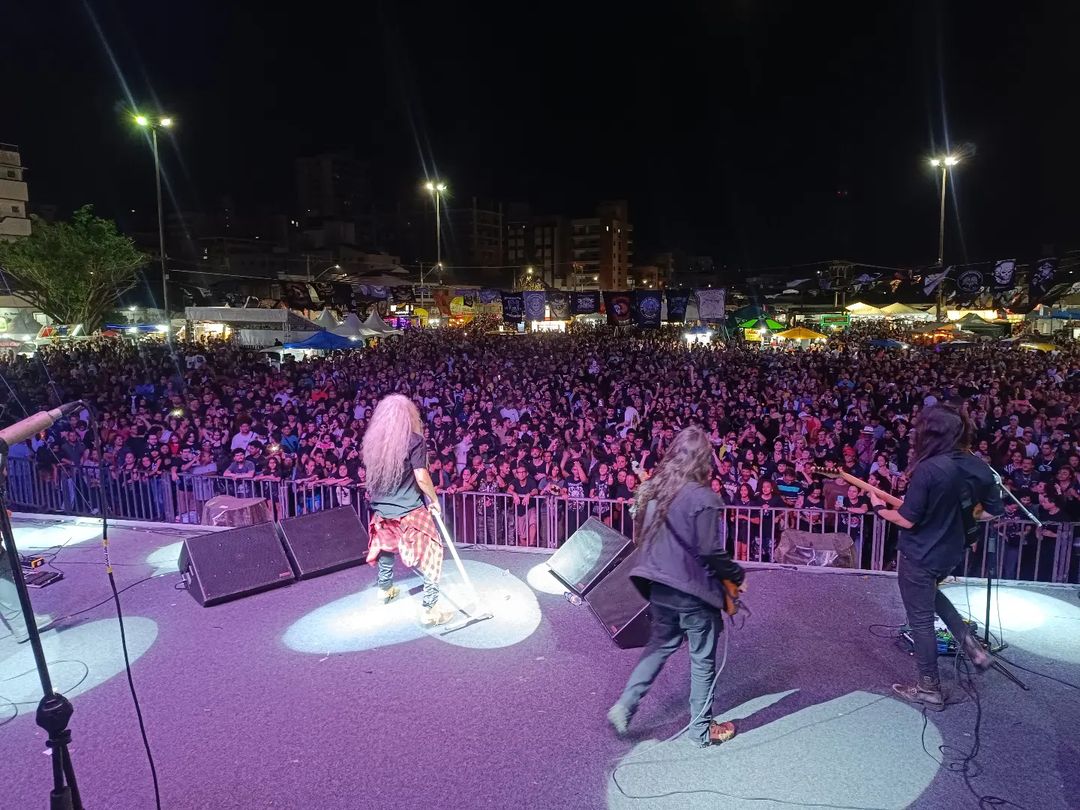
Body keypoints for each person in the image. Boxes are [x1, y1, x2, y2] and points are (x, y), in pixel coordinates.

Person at [607, 425, 745, 747]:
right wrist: (736, 575)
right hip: (692, 592)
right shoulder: (704, 498)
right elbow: (710, 551)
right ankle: (701, 731)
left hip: (658, 586)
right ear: (703, 459)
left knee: (659, 647)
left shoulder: (656, 490)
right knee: (702, 658)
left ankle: (625, 706)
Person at [868, 406, 1002, 711]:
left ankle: (929, 688)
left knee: (922, 620)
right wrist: (960, 515)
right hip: (952, 552)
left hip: (920, 554)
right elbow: (992, 511)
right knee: (933, 596)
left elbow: (907, 520)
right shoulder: (979, 467)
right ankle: (974, 649)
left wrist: (878, 507)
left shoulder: (929, 469)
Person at [361, 394, 454, 627]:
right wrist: (434, 500)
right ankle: (431, 608)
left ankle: (385, 588)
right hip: (410, 509)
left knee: (386, 547)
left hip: (383, 510)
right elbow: (421, 476)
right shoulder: (414, 440)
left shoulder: (375, 442)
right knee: (432, 551)